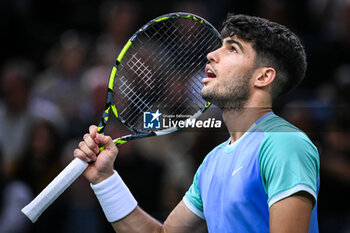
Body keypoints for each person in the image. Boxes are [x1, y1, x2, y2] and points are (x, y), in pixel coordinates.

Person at [74, 14, 320, 233]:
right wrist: (105, 179)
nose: (211, 55)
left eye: (232, 49)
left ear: (264, 76)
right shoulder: (213, 161)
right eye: (220, 47)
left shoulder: (284, 144)